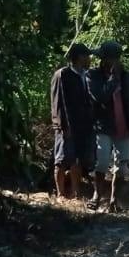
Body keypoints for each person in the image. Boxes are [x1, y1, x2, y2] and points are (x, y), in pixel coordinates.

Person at [87, 41, 129, 213]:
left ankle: (113, 200)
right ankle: (97, 195)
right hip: (103, 126)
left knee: (122, 166)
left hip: (124, 127)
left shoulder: (127, 77)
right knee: (101, 163)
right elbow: (100, 97)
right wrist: (113, 79)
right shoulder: (93, 75)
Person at [50, 42, 94, 199]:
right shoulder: (62, 75)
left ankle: (76, 193)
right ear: (80, 57)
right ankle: (60, 194)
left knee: (77, 161)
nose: (90, 59)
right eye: (87, 56)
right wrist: (63, 126)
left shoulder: (84, 76)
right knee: (61, 161)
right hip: (66, 127)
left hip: (81, 126)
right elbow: (58, 103)